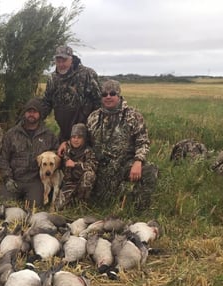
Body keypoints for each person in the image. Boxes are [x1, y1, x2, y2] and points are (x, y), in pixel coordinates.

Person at [86, 79, 158, 211]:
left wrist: (138, 161)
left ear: (119, 95)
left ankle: (140, 211)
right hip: (101, 167)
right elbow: (86, 143)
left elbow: (143, 141)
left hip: (125, 164)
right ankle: (82, 204)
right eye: (104, 94)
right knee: (103, 203)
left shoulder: (133, 116)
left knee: (149, 170)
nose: (108, 97)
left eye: (112, 93)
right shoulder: (93, 117)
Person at [0, 98, 59, 207]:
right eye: (29, 111)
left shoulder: (49, 135)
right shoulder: (12, 134)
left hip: (35, 181)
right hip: (15, 179)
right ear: (24, 113)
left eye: (34, 112)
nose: (31, 114)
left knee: (35, 207)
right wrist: (8, 178)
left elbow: (56, 155)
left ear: (39, 114)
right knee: (5, 205)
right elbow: (3, 159)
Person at [41, 45, 101, 144]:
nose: (61, 64)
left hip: (85, 129)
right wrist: (36, 118)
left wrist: (94, 125)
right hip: (64, 129)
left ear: (71, 59)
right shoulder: (53, 78)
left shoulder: (87, 74)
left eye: (64, 61)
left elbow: (98, 101)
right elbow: (47, 102)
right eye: (58, 61)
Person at [57, 123, 98, 208]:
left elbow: (93, 165)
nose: (76, 140)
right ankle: (72, 202)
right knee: (59, 207)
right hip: (68, 183)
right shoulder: (65, 148)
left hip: (81, 183)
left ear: (84, 139)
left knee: (90, 175)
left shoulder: (88, 151)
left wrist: (76, 165)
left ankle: (82, 204)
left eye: (79, 137)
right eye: (73, 137)